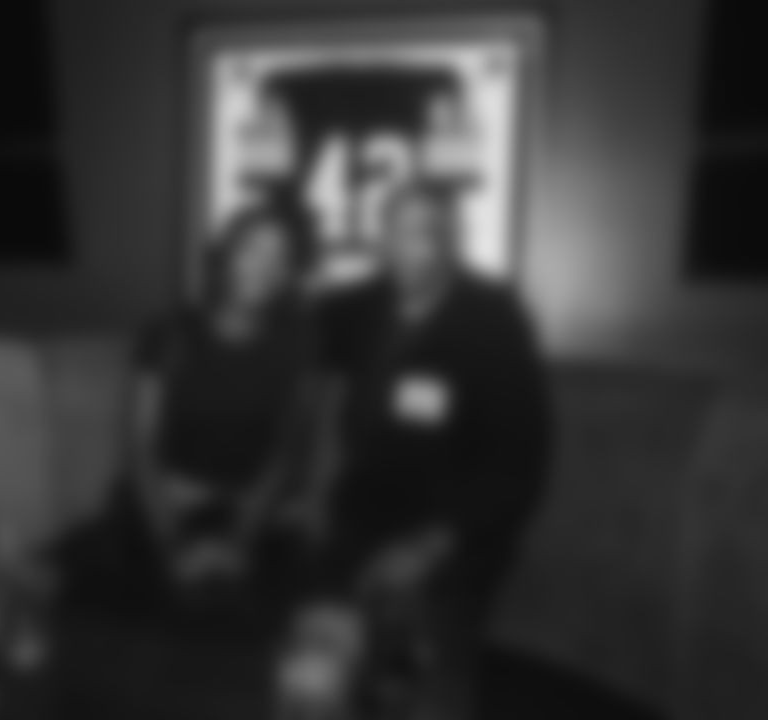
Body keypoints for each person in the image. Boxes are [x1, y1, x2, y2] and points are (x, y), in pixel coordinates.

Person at [282, 180, 553, 714]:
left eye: (427, 231)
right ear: (381, 238)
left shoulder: (493, 318)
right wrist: (309, 491)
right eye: (397, 230)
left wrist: (430, 547)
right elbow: (293, 337)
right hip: (357, 519)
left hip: (452, 537)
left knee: (428, 693)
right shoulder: (357, 306)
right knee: (309, 681)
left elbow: (520, 459)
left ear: (453, 239)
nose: (410, 245)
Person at [73, 201, 322, 623]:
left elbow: (284, 454)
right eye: (252, 249)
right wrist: (173, 546)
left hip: (248, 513)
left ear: (288, 273)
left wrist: (239, 541)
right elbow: (140, 449)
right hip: (161, 510)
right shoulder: (170, 334)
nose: (263, 266)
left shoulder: (297, 344)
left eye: (279, 257)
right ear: (226, 255)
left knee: (269, 620)